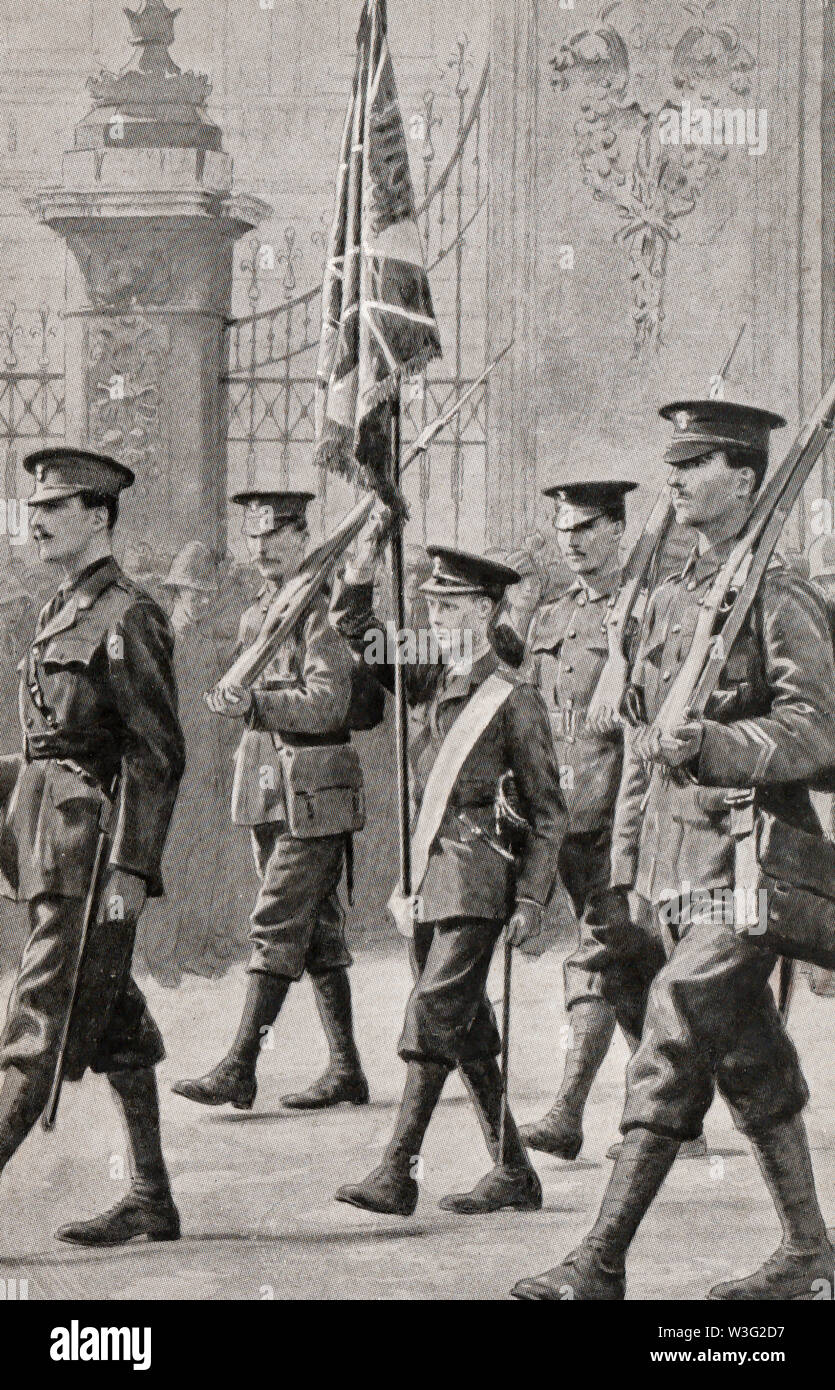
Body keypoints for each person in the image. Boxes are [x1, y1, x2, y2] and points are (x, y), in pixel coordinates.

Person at [512, 400, 835, 1300]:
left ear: (744, 477)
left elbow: (818, 731)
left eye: (699, 463)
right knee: (744, 1054)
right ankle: (811, 1254)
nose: (678, 478)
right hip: (672, 868)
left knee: (673, 1019)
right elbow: (632, 754)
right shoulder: (666, 599)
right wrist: (620, 875)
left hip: (747, 861)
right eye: (674, 462)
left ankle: (599, 1260)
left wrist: (719, 745)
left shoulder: (779, 592)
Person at [332, 519, 566, 1216]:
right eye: (431, 605)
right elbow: (356, 624)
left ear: (486, 611)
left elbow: (549, 812)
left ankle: (397, 1170)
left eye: (450, 606)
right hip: (429, 877)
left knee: (434, 1011)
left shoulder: (513, 699)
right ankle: (514, 1172)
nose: (434, 616)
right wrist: (365, 557)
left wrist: (530, 900)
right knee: (464, 1029)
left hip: (479, 877)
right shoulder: (432, 677)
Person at [0, 445, 185, 1246]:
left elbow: (154, 755)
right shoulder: (63, 607)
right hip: (50, 840)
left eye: (54, 506)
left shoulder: (128, 614)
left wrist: (133, 871)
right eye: (33, 505)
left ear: (98, 516)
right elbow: (49, 749)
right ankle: (151, 1197)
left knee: (40, 1018)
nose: (34, 518)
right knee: (110, 1016)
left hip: (93, 853)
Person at [172, 489, 370, 1112]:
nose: (262, 548)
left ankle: (241, 1065)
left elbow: (330, 704)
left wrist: (256, 704)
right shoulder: (261, 611)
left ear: (302, 535)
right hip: (268, 786)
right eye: (253, 537)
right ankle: (346, 1070)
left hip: (315, 787)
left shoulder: (321, 609)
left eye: (276, 536)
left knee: (277, 921)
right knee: (317, 930)